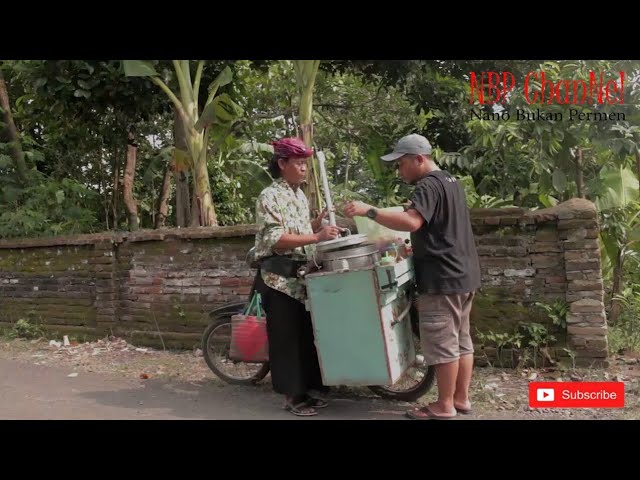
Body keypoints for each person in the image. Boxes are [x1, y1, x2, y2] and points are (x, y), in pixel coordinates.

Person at [342, 133, 481, 420]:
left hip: (442, 277)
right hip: (464, 274)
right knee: (461, 340)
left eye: (402, 163)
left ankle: (444, 406)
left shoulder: (427, 185)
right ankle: (461, 398)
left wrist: (370, 211)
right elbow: (434, 223)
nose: (399, 169)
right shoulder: (450, 181)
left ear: (419, 159)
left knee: (443, 344)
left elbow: (412, 222)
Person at [253, 137, 342, 417]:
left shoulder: (299, 195)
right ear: (282, 164)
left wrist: (318, 222)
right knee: (286, 339)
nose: (305, 169)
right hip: (278, 279)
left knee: (306, 335)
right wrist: (317, 235)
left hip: (301, 277)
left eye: (306, 164)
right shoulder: (269, 196)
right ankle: (293, 396)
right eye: (299, 163)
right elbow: (275, 239)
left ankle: (311, 389)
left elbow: (299, 229)